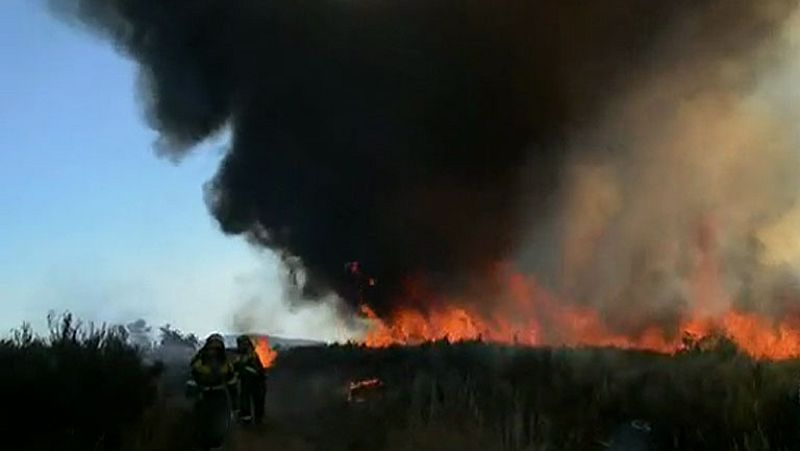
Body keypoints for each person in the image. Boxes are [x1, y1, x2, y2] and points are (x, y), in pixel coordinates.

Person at [190, 333, 238, 448]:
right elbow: (193, 376)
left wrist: (235, 406)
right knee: (202, 425)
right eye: (212, 347)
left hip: (218, 397)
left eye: (216, 347)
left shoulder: (226, 363)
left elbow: (232, 383)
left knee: (219, 426)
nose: (213, 351)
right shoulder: (199, 361)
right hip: (204, 396)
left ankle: (215, 445)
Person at [233, 335, 267, 424]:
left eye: (242, 343)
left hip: (257, 382)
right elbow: (235, 367)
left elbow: (258, 370)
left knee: (257, 401)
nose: (240, 346)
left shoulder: (252, 355)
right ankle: (247, 419)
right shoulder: (240, 355)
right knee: (245, 400)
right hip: (246, 382)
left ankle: (257, 419)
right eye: (239, 344)